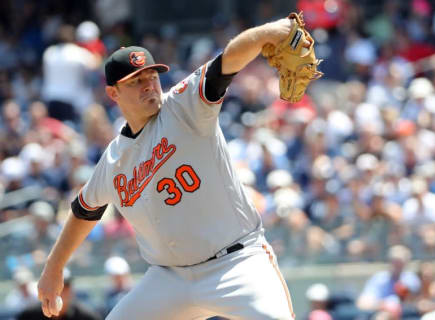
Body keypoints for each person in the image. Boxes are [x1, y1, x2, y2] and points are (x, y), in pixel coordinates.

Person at [37, 15, 302, 320]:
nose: (149, 85)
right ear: (113, 93)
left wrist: (268, 32)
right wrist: (53, 268)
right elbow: (84, 211)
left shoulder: (184, 105)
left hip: (236, 262)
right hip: (170, 279)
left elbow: (227, 60)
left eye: (152, 76)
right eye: (136, 81)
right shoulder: (113, 160)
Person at [17, 269, 101, 320]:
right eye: (54, 286)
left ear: (71, 290)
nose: (60, 291)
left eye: (65, 286)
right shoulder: (28, 316)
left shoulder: (87, 316)